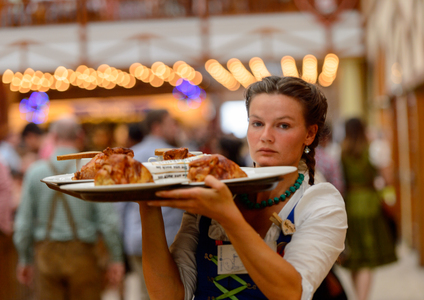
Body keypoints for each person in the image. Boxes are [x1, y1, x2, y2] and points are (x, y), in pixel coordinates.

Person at [138, 76, 348, 300]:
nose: (266, 137)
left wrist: (227, 216)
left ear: (310, 133)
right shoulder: (215, 187)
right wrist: (146, 201)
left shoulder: (321, 203)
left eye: (283, 125)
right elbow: (169, 296)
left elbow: (291, 293)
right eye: (257, 123)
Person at [13, 116, 125, 300]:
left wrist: (24, 259)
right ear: (80, 136)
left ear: (53, 136)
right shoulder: (93, 171)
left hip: (46, 257)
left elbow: (23, 223)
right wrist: (116, 258)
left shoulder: (34, 172)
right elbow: (108, 221)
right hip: (84, 254)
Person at [115, 108, 183, 300]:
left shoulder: (135, 155)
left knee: (148, 293)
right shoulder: (171, 156)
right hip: (168, 238)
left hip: (135, 237)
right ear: (157, 126)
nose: (175, 128)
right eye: (171, 123)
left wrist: (122, 237)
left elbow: (120, 203)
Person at [339, 118, 397, 300]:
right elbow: (388, 180)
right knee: (366, 260)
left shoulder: (340, 151)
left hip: (349, 205)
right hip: (370, 203)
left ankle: (359, 296)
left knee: (354, 257)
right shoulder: (373, 149)